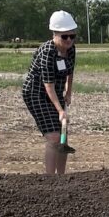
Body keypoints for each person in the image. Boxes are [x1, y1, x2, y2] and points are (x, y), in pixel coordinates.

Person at [22, 10, 78, 174]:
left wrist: (68, 92)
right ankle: (50, 178)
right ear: (55, 34)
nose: (69, 40)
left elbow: (70, 72)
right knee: (54, 137)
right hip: (36, 94)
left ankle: (61, 176)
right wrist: (60, 110)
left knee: (63, 136)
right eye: (64, 36)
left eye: (72, 36)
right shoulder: (48, 51)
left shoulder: (71, 49)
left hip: (56, 91)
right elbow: (48, 86)